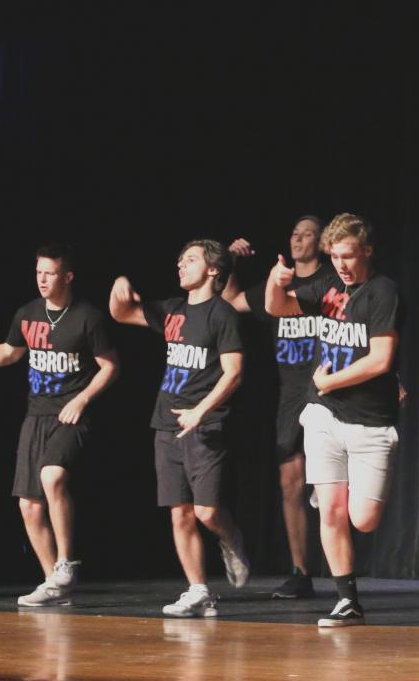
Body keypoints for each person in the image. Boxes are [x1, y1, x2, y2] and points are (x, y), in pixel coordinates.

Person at [264, 212, 402, 627]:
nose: (341, 264)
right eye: (335, 256)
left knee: (363, 519)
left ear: (367, 251)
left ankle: (330, 493)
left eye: (348, 255)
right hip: (324, 415)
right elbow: (278, 308)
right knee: (331, 513)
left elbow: (381, 360)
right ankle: (347, 601)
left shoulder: (383, 292)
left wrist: (329, 381)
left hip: (371, 420)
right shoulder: (328, 286)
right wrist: (276, 279)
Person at [110, 240, 249, 618]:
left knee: (206, 513)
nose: (181, 265)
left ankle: (230, 536)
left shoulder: (222, 314)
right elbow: (121, 314)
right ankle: (199, 590)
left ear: (213, 270)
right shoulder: (173, 309)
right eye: (180, 260)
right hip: (167, 424)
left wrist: (202, 411)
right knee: (180, 513)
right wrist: (120, 283)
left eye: (190, 259)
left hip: (206, 423)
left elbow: (234, 373)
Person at [0, 245, 119, 607]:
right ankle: (53, 582)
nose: (41, 279)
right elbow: (8, 353)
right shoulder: (28, 314)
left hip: (71, 415)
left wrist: (81, 399)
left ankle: (66, 564)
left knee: (52, 477)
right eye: (38, 272)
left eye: (49, 273)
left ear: (67, 277)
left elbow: (111, 366)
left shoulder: (87, 317)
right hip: (34, 416)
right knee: (29, 505)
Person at [222, 215, 326, 599]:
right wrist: (232, 263)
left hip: (328, 391)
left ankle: (343, 571)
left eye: (308, 234)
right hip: (290, 396)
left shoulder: (329, 284)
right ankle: (301, 573)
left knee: (334, 487)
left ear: (322, 242)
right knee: (289, 484)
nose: (299, 239)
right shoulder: (276, 285)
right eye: (295, 232)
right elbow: (229, 301)